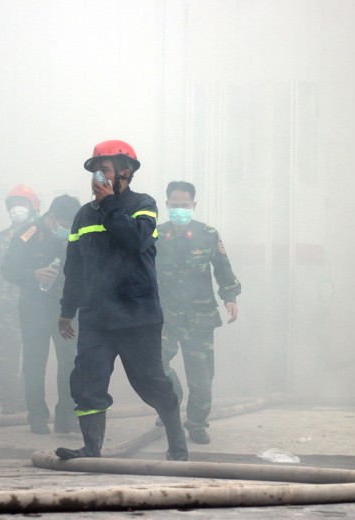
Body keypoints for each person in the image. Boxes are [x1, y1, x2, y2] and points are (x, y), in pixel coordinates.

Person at [55, 140, 188, 461]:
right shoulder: (84, 215)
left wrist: (113, 204)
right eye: (94, 171)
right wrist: (67, 309)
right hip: (96, 318)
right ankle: (91, 448)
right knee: (87, 381)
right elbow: (74, 267)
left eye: (105, 170)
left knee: (151, 383)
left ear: (125, 173)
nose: (97, 177)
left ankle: (177, 445)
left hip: (137, 316)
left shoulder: (143, 204)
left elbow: (136, 241)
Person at [156, 181, 241, 444]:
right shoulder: (153, 236)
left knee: (202, 378)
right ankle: (171, 403)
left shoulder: (208, 234)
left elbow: (223, 268)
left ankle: (196, 423)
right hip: (164, 316)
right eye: (174, 205)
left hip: (199, 317)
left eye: (184, 205)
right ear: (167, 205)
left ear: (193, 206)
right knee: (155, 367)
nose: (179, 209)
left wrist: (230, 297)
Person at [1, 195, 81, 434]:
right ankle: (36, 417)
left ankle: (66, 417)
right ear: (52, 217)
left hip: (66, 309)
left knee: (70, 363)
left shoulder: (77, 235)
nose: (68, 229)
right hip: (35, 308)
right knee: (35, 363)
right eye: (65, 224)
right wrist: (33, 274)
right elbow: (8, 269)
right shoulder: (29, 233)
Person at [0, 185, 40, 415]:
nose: (17, 209)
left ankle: (27, 400)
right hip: (8, 305)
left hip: (33, 304)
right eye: (14, 204)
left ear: (33, 209)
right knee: (8, 355)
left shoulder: (41, 235)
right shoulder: (1, 239)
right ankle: (8, 400)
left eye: (23, 204)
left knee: (32, 354)